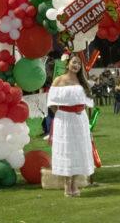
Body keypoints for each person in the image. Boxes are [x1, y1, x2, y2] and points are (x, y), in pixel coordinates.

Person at [47, 54, 95, 197]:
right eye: (74, 62)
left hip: (80, 120)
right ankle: (67, 186)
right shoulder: (58, 80)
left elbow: (87, 103)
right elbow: (52, 102)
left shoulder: (82, 81)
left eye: (79, 64)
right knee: (67, 151)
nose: (76, 66)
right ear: (68, 63)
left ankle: (75, 184)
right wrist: (61, 115)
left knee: (78, 152)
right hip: (64, 121)